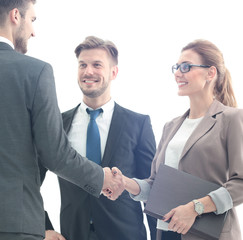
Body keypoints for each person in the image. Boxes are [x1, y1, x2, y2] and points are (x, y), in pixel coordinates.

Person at [0, 1, 124, 240]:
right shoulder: (34, 71)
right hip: (13, 224)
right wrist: (102, 178)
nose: (33, 31)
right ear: (16, 16)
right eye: (32, 20)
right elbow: (55, 154)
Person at [107, 39, 243, 240]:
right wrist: (126, 183)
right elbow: (156, 186)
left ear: (210, 73)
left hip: (208, 235)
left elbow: (241, 181)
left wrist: (195, 208)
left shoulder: (231, 119)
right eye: (177, 67)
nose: (178, 73)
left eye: (186, 66)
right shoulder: (171, 126)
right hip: (168, 233)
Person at [41, 36, 157, 240]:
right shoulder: (58, 123)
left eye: (97, 65)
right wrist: (45, 227)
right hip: (73, 234)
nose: (88, 72)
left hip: (126, 234)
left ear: (114, 72)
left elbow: (152, 188)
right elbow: (30, 180)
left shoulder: (138, 124)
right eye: (82, 65)